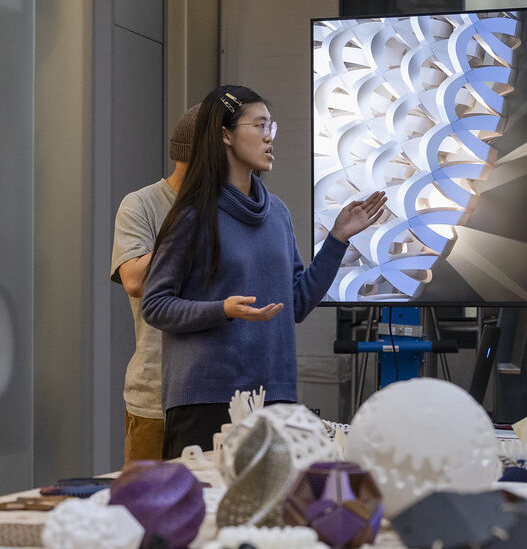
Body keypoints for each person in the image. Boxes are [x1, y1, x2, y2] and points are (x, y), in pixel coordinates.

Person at [142, 84, 387, 459]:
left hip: (276, 397)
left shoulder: (278, 214)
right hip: (207, 400)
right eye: (259, 126)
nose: (269, 137)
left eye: (272, 126)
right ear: (225, 134)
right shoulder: (191, 217)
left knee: (276, 513)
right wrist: (222, 309)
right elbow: (156, 304)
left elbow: (298, 304)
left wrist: (337, 238)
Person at [111, 106, 198, 465]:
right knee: (143, 511)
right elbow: (135, 280)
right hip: (155, 396)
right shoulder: (142, 204)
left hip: (216, 394)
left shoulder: (234, 206)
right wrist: (191, 213)